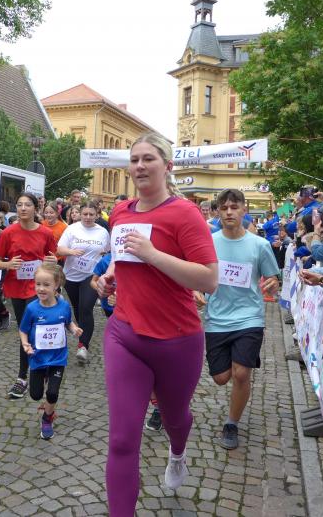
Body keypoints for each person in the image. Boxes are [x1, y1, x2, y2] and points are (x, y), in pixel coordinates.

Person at [96, 132, 217, 515]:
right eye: (134, 159)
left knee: (174, 417)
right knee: (121, 441)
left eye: (148, 158)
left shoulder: (185, 213)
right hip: (125, 335)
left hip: (176, 340)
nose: (140, 166)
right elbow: (122, 259)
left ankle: (177, 451)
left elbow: (209, 279)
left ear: (167, 166)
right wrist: (109, 276)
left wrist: (153, 255)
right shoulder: (120, 212)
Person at [193, 188, 280, 449]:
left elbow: (273, 278)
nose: (229, 212)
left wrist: (273, 284)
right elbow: (197, 274)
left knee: (241, 373)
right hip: (217, 318)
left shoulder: (260, 245)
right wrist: (196, 290)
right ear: (218, 212)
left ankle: (231, 424)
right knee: (221, 377)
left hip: (249, 317)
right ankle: (235, 367)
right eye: (224, 208)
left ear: (244, 210)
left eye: (234, 207)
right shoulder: (209, 243)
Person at [0, 192, 58, 399]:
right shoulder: (8, 233)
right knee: (26, 330)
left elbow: (53, 258)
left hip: (38, 287)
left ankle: (28, 374)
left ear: (35, 208)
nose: (22, 208)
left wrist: (52, 262)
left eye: (27, 205)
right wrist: (8, 264)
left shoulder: (45, 233)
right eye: (19, 204)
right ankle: (25, 377)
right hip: (16, 287)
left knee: (34, 327)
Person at [19, 263, 82, 439]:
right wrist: (25, 344)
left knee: (52, 393)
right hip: (38, 358)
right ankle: (43, 379)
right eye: (38, 284)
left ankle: (47, 418)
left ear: (56, 285)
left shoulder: (64, 307)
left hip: (57, 358)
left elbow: (67, 322)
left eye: (46, 285)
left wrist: (74, 329)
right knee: (35, 395)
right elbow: (23, 330)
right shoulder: (32, 309)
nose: (41, 288)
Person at [57, 200, 110, 364]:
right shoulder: (72, 229)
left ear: (97, 215)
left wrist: (103, 258)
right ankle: (84, 331)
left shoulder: (102, 232)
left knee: (86, 307)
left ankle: (83, 346)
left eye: (91, 214)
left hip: (91, 275)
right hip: (71, 275)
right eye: (85, 214)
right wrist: (71, 251)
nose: (87, 217)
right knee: (78, 309)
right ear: (80, 214)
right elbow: (59, 249)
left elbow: (108, 251)